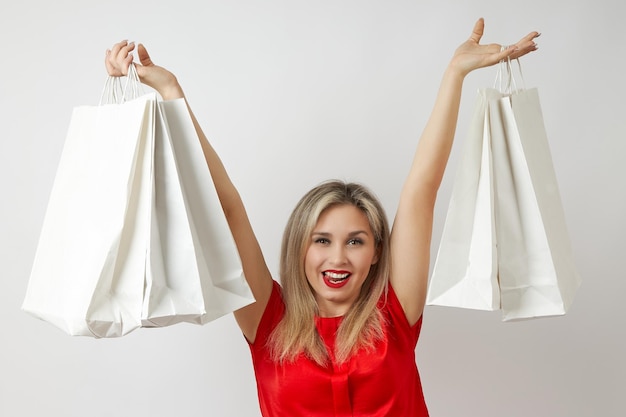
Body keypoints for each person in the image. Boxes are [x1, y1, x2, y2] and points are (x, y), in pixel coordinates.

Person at [105, 18, 539, 416]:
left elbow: (421, 192)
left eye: (356, 240)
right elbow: (225, 205)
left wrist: (454, 76)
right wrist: (172, 94)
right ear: (300, 248)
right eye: (321, 240)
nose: (338, 258)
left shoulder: (395, 313)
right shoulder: (267, 318)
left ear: (376, 253)